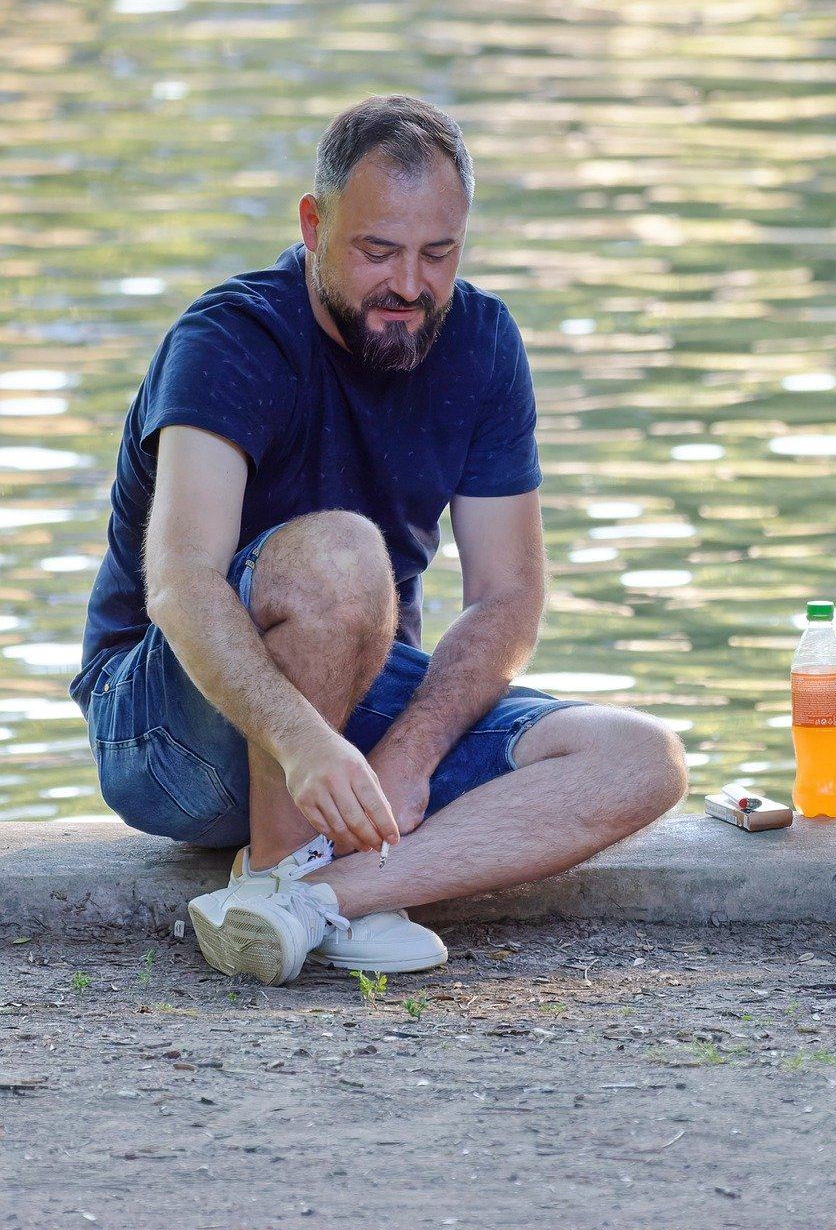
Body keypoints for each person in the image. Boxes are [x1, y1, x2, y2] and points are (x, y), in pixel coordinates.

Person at [70, 94, 688, 986]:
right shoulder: (229, 339)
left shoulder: (481, 342)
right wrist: (303, 741)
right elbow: (178, 583)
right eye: (377, 251)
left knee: (640, 758)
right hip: (172, 725)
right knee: (344, 560)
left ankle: (319, 901)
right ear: (314, 225)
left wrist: (408, 755)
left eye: (438, 253)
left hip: (350, 705)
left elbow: (509, 595)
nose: (410, 283)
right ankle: (283, 865)